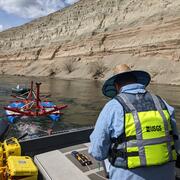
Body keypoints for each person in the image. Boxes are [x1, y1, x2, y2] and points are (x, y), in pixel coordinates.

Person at [89, 64, 180, 180]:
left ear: (117, 86)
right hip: (167, 174)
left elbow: (98, 152)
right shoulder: (162, 102)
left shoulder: (113, 106)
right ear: (136, 80)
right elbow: (176, 143)